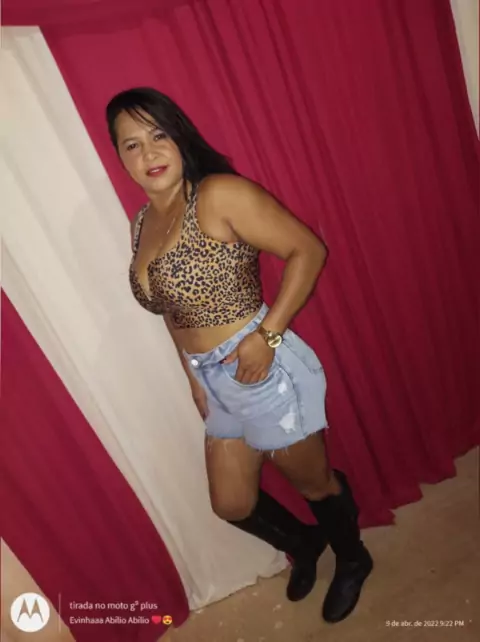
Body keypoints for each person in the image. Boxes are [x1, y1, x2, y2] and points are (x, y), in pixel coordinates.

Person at [105, 87, 373, 623]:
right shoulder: (142, 223)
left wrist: (267, 337)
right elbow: (170, 311)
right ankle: (305, 542)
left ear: (179, 136)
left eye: (158, 135)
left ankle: (353, 557)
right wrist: (192, 375)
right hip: (214, 377)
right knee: (231, 503)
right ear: (120, 157)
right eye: (131, 145)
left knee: (314, 481)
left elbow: (307, 250)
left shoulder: (218, 195)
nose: (148, 153)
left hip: (264, 367)